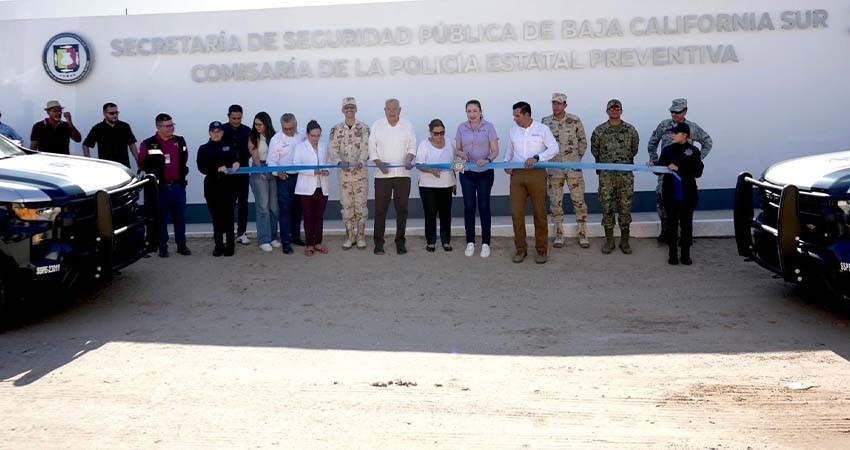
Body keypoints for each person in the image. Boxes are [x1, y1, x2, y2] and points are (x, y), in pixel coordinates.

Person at [647, 98, 713, 243]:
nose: (674, 114)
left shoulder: (692, 128)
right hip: (666, 173)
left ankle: (685, 235)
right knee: (662, 201)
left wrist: (696, 160)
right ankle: (667, 231)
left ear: (685, 111)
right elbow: (652, 144)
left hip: (685, 176)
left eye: (678, 112)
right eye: (672, 112)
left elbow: (708, 142)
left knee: (686, 204)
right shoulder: (664, 125)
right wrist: (655, 161)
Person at [503, 101, 558, 264]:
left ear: (527, 115)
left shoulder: (542, 129)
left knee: (539, 213)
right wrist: (507, 163)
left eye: (517, 115)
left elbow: (554, 148)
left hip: (537, 173)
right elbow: (509, 151)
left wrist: (537, 158)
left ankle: (541, 250)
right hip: (517, 176)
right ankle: (521, 249)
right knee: (516, 213)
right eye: (514, 115)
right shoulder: (513, 131)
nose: (515, 118)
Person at [138, 113, 191, 257]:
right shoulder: (148, 143)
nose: (170, 128)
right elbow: (142, 163)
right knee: (161, 218)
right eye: (167, 126)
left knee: (180, 217)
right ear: (158, 127)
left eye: (172, 125)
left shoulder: (179, 141)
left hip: (177, 186)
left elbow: (184, 158)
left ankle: (182, 245)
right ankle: (162, 247)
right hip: (159, 188)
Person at [591, 99, 640, 255]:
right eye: (611, 109)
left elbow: (634, 148)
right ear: (607, 111)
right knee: (607, 207)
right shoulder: (600, 130)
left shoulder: (630, 130)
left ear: (621, 111)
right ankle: (610, 241)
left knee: (625, 208)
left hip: (625, 176)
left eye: (617, 108)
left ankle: (624, 241)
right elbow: (595, 150)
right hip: (606, 176)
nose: (614, 111)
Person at [368, 98, 417, 255]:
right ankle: (378, 243)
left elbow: (412, 146)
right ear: (385, 110)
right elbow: (371, 148)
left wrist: (409, 159)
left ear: (400, 110)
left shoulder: (407, 125)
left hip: (403, 175)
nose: (392, 111)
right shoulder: (377, 125)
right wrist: (378, 162)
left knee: (402, 209)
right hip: (382, 176)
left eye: (395, 108)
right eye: (389, 109)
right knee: (380, 210)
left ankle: (400, 242)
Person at [541, 93, 590, 249]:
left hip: (573, 168)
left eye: (559, 103)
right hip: (555, 169)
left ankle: (582, 233)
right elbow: (542, 144)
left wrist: (576, 159)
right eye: (554, 103)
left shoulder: (574, 120)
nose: (556, 106)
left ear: (565, 105)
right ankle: (559, 234)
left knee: (579, 201)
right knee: (556, 202)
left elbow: (582, 141)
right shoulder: (546, 121)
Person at [651, 122, 704, 265]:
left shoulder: (693, 151)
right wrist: (653, 165)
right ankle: (673, 255)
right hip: (670, 193)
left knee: (686, 224)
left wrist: (679, 168)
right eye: (672, 133)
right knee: (672, 224)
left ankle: (686, 255)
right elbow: (660, 169)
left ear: (685, 135)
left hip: (688, 193)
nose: (672, 135)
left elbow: (697, 172)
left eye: (676, 133)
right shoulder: (668, 150)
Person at [454, 99, 499, 258]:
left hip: (484, 172)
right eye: (469, 111)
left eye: (474, 111)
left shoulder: (489, 127)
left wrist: (487, 160)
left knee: (484, 205)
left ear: (480, 112)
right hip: (466, 172)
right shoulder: (461, 127)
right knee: (468, 205)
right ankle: (470, 242)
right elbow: (457, 150)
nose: (472, 114)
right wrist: (461, 156)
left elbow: (495, 151)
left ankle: (486, 243)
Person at [329, 97, 370, 250]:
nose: (349, 110)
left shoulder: (364, 128)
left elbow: (367, 148)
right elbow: (332, 149)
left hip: (360, 174)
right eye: (347, 108)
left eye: (352, 107)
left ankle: (360, 236)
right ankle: (350, 236)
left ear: (356, 109)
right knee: (347, 206)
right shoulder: (336, 129)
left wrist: (361, 160)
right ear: (342, 110)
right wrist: (340, 162)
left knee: (361, 206)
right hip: (345, 176)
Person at [196, 121, 240, 257]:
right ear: (209, 132)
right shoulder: (203, 149)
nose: (216, 134)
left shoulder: (229, 145)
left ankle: (230, 247)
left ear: (222, 132)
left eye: (218, 131)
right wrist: (216, 169)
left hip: (229, 187)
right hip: (212, 187)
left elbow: (235, 158)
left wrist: (236, 162)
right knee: (216, 218)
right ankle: (218, 246)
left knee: (229, 218)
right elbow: (202, 167)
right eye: (213, 131)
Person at [268, 113, 307, 253]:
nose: (290, 131)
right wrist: (277, 172)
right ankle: (286, 241)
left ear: (296, 124)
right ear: (282, 126)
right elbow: (271, 161)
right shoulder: (275, 140)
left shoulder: (303, 134)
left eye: (292, 128)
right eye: (286, 129)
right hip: (284, 179)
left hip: (302, 177)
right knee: (285, 210)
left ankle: (296, 236)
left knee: (299, 209)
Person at [416, 119, 456, 252]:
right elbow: (419, 164)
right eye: (436, 133)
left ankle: (446, 240)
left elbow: (456, 163)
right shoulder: (424, 144)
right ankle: (431, 240)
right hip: (428, 185)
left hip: (446, 184)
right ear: (430, 133)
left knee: (446, 214)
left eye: (442, 133)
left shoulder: (450, 143)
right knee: (430, 213)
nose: (439, 136)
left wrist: (455, 180)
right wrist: (431, 170)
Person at [293, 120, 331, 256]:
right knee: (308, 216)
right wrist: (313, 172)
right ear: (307, 135)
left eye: (318, 135)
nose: (316, 138)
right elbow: (296, 166)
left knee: (319, 216)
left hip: (322, 185)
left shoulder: (324, 146)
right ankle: (309, 244)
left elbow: (327, 162)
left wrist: (326, 170)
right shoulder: (300, 147)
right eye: (313, 135)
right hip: (306, 187)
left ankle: (318, 242)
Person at [247, 112, 280, 253]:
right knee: (263, 206)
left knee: (274, 207)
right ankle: (264, 239)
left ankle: (273, 236)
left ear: (266, 123)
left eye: (260, 124)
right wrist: (261, 172)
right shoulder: (252, 137)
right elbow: (255, 156)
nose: (257, 126)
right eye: (255, 124)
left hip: (273, 169)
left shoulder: (275, 136)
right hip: (259, 169)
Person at [222, 104, 253, 246]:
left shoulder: (247, 130)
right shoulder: (221, 130)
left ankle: (241, 233)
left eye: (239, 118)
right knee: (227, 204)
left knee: (243, 204)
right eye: (233, 118)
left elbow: (252, 149)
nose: (236, 121)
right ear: (228, 116)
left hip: (243, 173)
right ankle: (226, 232)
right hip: (226, 174)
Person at [82, 102, 139, 168]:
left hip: (123, 166)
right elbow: (85, 145)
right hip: (106, 167)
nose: (115, 115)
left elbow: (132, 144)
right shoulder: (98, 128)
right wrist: (89, 162)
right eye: (111, 113)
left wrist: (138, 161)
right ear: (104, 113)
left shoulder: (124, 126)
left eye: (116, 113)